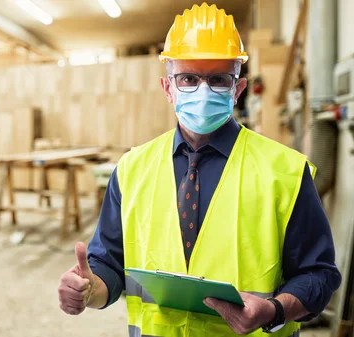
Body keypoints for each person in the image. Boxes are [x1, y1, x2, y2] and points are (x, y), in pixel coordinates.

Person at [57, 3, 341, 337]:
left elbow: (319, 274)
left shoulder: (286, 173)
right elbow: (109, 265)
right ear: (168, 88)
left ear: (238, 90)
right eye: (188, 78)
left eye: (219, 79)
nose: (203, 91)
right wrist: (90, 289)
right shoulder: (132, 170)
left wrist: (275, 310)